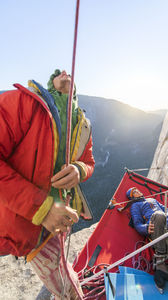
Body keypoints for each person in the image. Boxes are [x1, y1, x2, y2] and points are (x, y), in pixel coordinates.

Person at [0, 69, 95, 299]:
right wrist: (41, 208)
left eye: (67, 71)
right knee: (67, 287)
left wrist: (79, 170)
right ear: (50, 82)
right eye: (57, 71)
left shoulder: (82, 123)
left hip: (57, 221)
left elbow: (88, 161)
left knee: (64, 280)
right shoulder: (23, 102)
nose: (64, 72)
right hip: (23, 219)